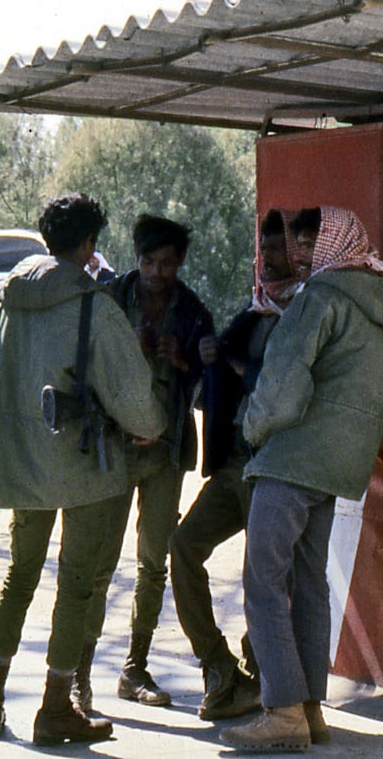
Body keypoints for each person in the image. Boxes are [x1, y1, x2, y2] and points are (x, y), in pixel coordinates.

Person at [0, 194, 165, 746]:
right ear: (87, 244)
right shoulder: (92, 304)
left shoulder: (2, 301)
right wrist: (148, 425)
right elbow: (132, 395)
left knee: (19, 576)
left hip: (19, 464)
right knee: (75, 584)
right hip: (81, 464)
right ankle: (56, 709)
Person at [220, 206, 383, 752]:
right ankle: (309, 709)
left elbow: (283, 389)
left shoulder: (319, 300)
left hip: (291, 458)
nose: (300, 256)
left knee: (263, 583)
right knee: (308, 585)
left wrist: (253, 426)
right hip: (337, 466)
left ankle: (282, 711)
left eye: (309, 245)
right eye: (297, 246)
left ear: (334, 245)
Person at [72, 213, 214, 711]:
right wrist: (124, 353)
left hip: (166, 453)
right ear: (136, 259)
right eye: (149, 262)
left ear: (179, 264)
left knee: (153, 563)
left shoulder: (192, 310)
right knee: (98, 565)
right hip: (114, 452)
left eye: (167, 264)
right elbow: (82, 365)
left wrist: (182, 363)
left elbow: (208, 373)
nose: (157, 273)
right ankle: (79, 676)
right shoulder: (108, 300)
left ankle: (134, 668)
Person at [169, 209, 299, 721]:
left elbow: (286, 384)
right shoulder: (258, 310)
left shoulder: (306, 309)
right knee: (183, 549)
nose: (268, 261)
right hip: (234, 466)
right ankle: (220, 668)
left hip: (272, 466)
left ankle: (265, 673)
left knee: (264, 578)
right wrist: (212, 356)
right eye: (264, 251)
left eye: (278, 251)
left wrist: (235, 365)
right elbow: (225, 374)